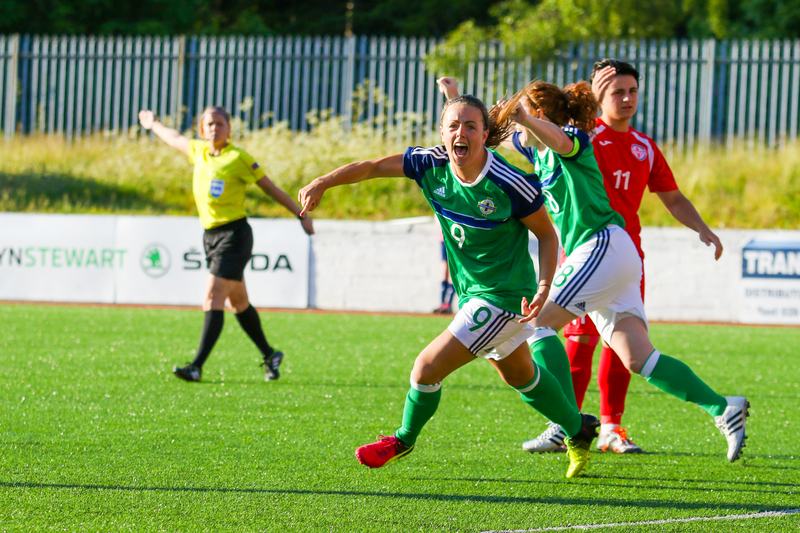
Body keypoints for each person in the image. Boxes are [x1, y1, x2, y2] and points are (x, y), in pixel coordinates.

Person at [299, 94, 600, 478]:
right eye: (453, 125)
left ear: (485, 134)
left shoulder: (509, 183)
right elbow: (372, 167)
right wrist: (324, 182)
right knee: (521, 376)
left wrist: (544, 285)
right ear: (442, 132)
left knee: (426, 368)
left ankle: (403, 439)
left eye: (470, 126)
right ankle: (578, 429)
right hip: (474, 294)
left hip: (506, 297)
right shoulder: (430, 164)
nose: (461, 132)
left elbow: (546, 234)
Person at [491, 81, 748, 463]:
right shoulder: (538, 149)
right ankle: (723, 407)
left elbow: (558, 140)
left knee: (537, 324)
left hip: (601, 247)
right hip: (611, 256)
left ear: (540, 116)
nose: (517, 125)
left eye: (524, 115)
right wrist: (461, 102)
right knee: (637, 357)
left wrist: (525, 117)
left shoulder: (573, 138)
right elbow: (502, 140)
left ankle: (565, 424)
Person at [138, 106, 314, 383]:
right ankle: (270, 354)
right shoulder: (199, 151)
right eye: (210, 124)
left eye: (220, 124)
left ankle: (196, 366)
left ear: (229, 129)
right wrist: (153, 124)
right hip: (210, 236)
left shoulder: (238, 157)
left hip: (235, 235)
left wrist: (300, 213)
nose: (215, 128)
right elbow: (174, 138)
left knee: (212, 296)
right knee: (239, 302)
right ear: (202, 128)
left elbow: (270, 188)